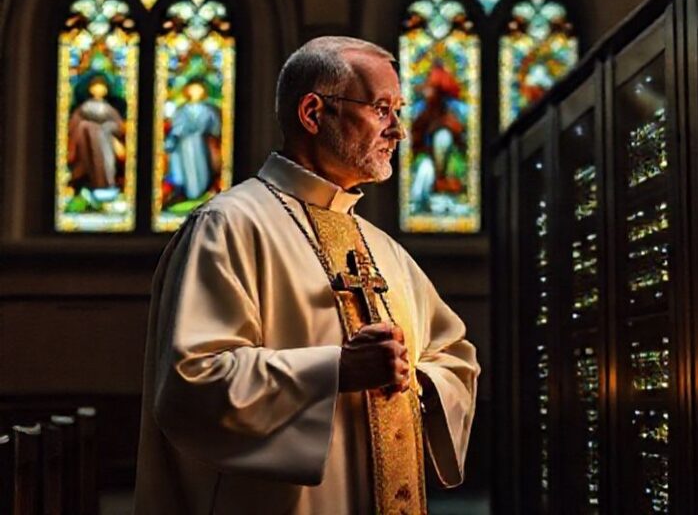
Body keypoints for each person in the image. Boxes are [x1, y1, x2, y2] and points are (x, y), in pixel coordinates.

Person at [134, 36, 480, 514]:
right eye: (382, 109)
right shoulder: (229, 225)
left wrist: (417, 380)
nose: (399, 130)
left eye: (399, 110)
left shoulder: (382, 248)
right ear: (314, 112)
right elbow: (193, 383)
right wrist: (336, 370)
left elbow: (454, 354)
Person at [67, 74, 126, 204]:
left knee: (107, 165)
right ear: (90, 89)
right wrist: (88, 128)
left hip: (106, 146)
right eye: (95, 87)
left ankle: (107, 187)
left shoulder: (109, 109)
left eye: (101, 87)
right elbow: (74, 125)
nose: (98, 90)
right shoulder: (84, 108)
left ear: (106, 90)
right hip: (86, 146)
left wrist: (107, 129)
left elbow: (119, 126)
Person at [165, 78, 222, 202]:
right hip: (184, 145)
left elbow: (215, 127)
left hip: (201, 144)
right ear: (187, 91)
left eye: (198, 89)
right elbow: (176, 127)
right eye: (192, 89)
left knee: (202, 168)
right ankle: (189, 193)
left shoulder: (208, 110)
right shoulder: (181, 110)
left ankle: (202, 192)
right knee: (186, 169)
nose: (195, 92)